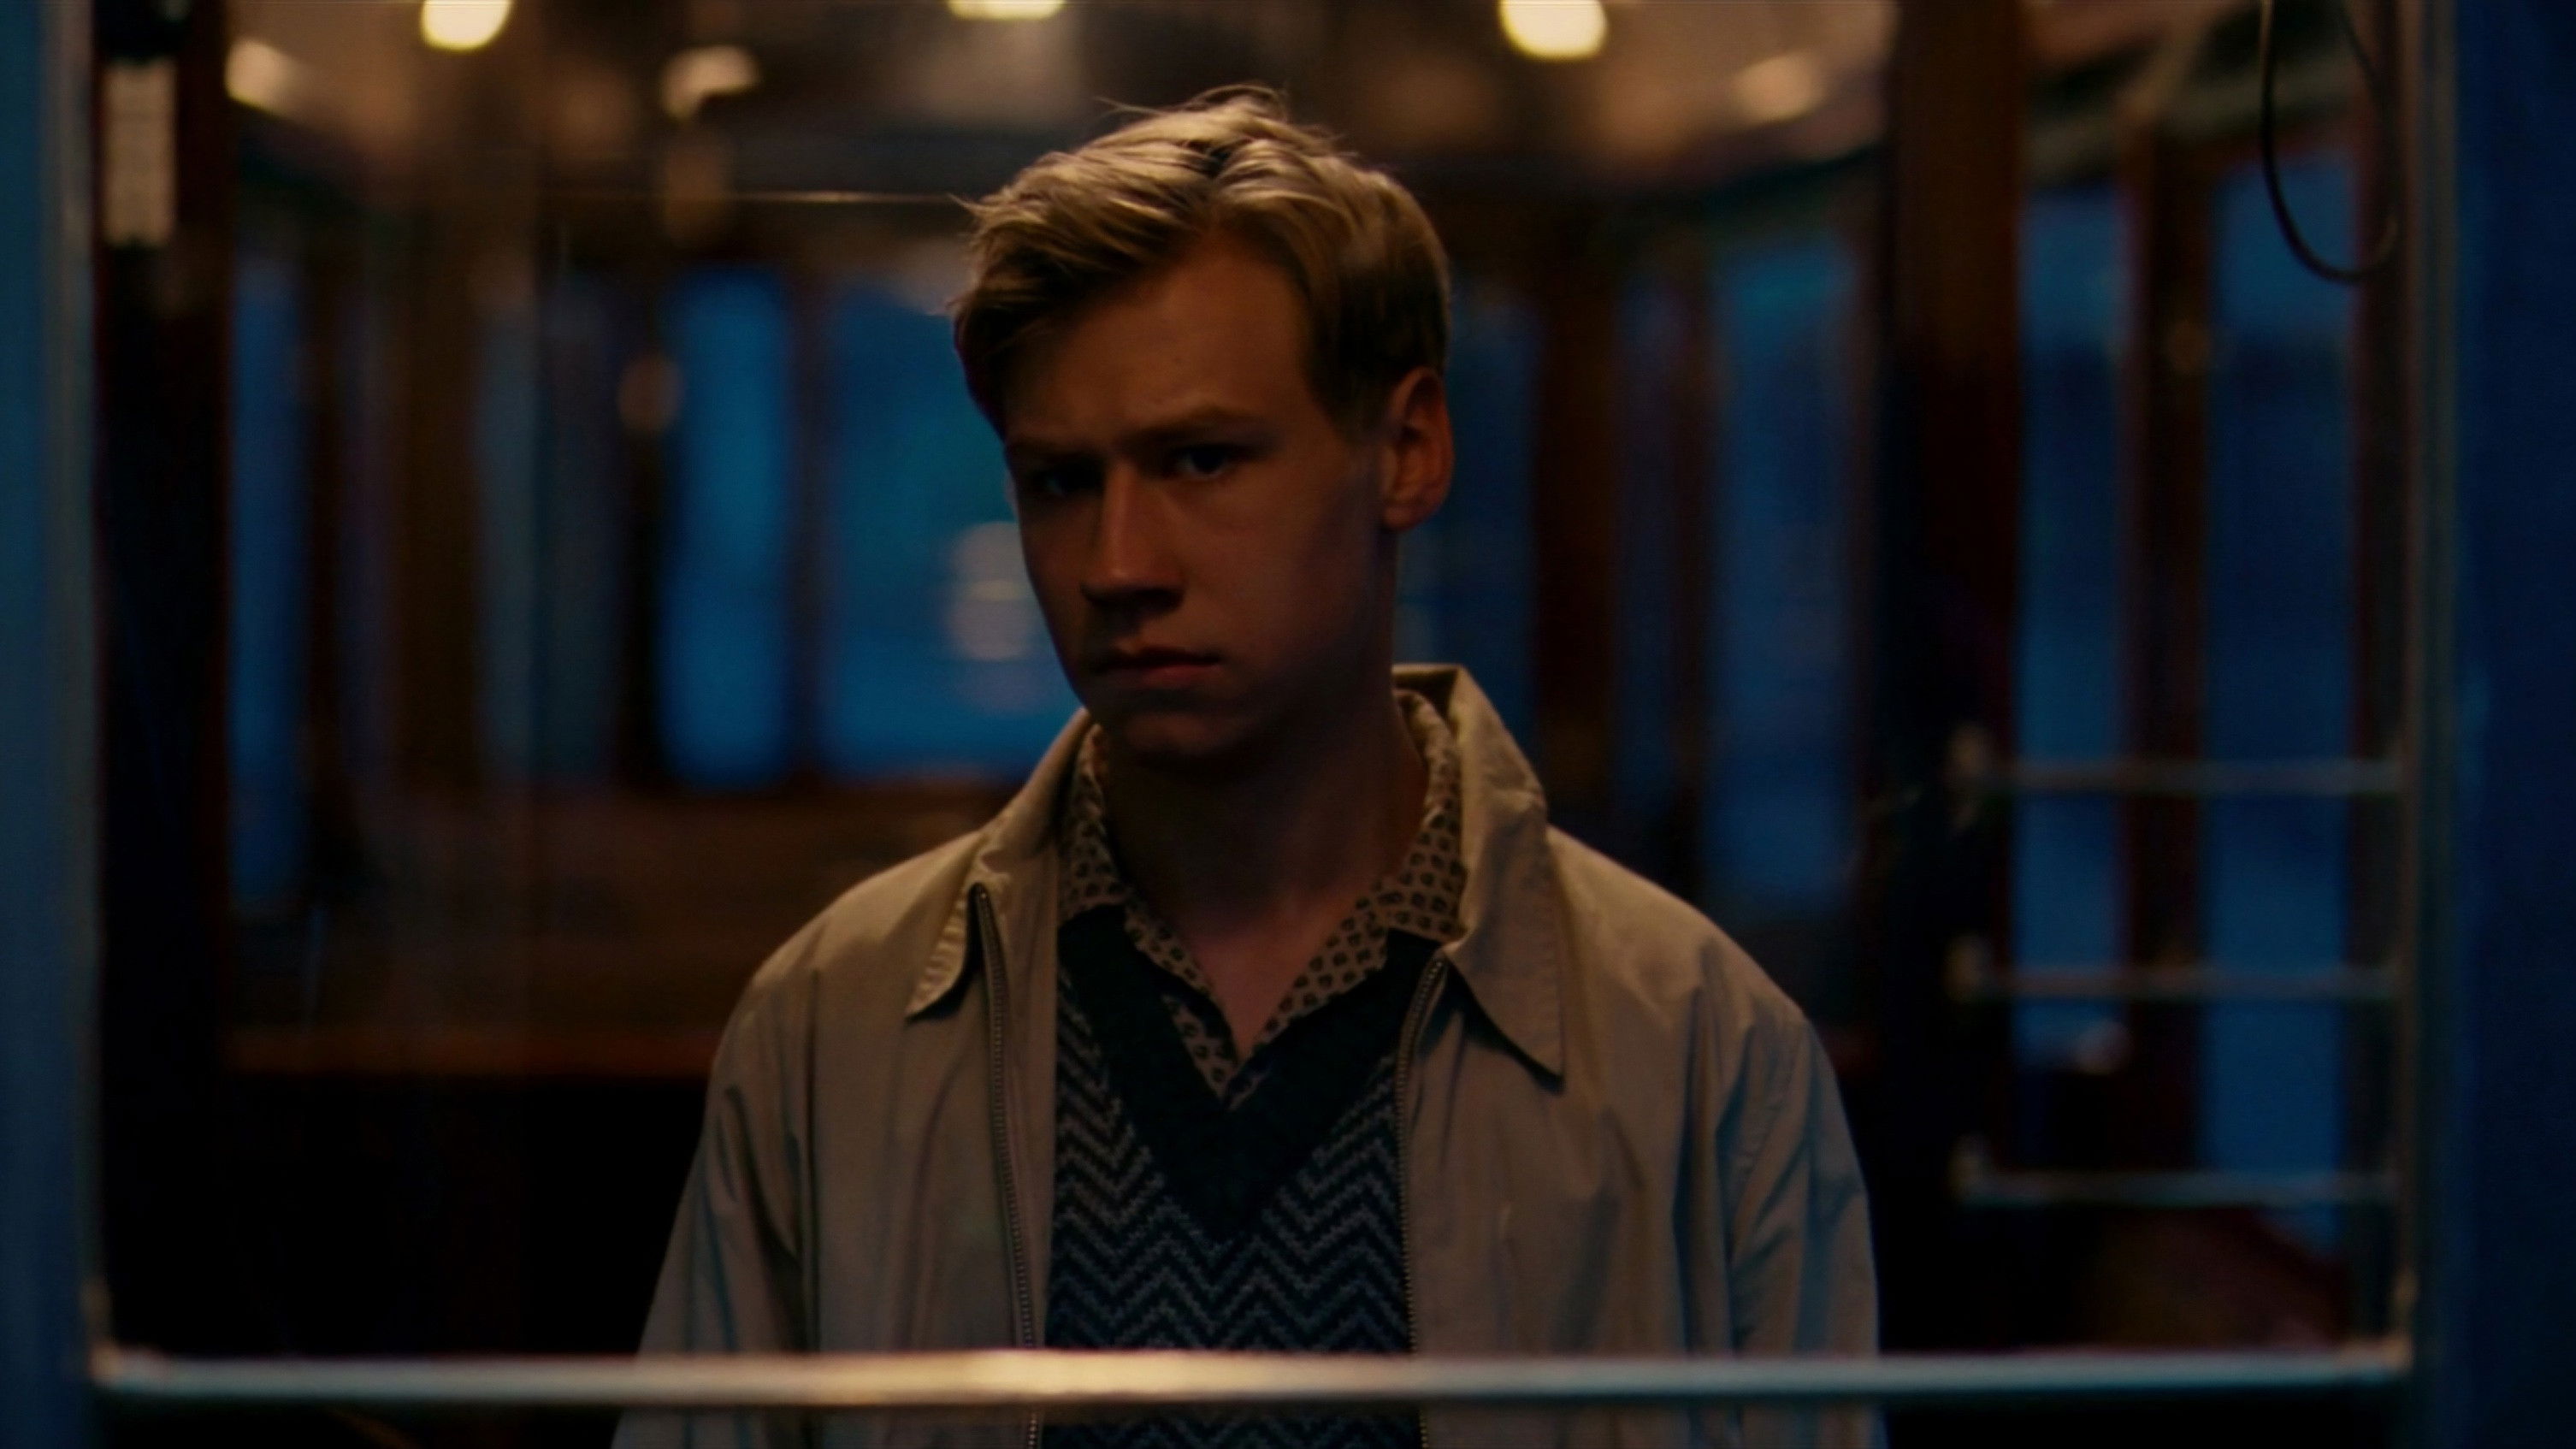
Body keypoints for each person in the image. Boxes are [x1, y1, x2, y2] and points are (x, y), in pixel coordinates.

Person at [623, 86, 1876, 1449]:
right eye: (1060, 482)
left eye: (1203, 460)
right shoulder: (831, 1027)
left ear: (1407, 449)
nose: (1118, 564)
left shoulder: (1698, 1051)